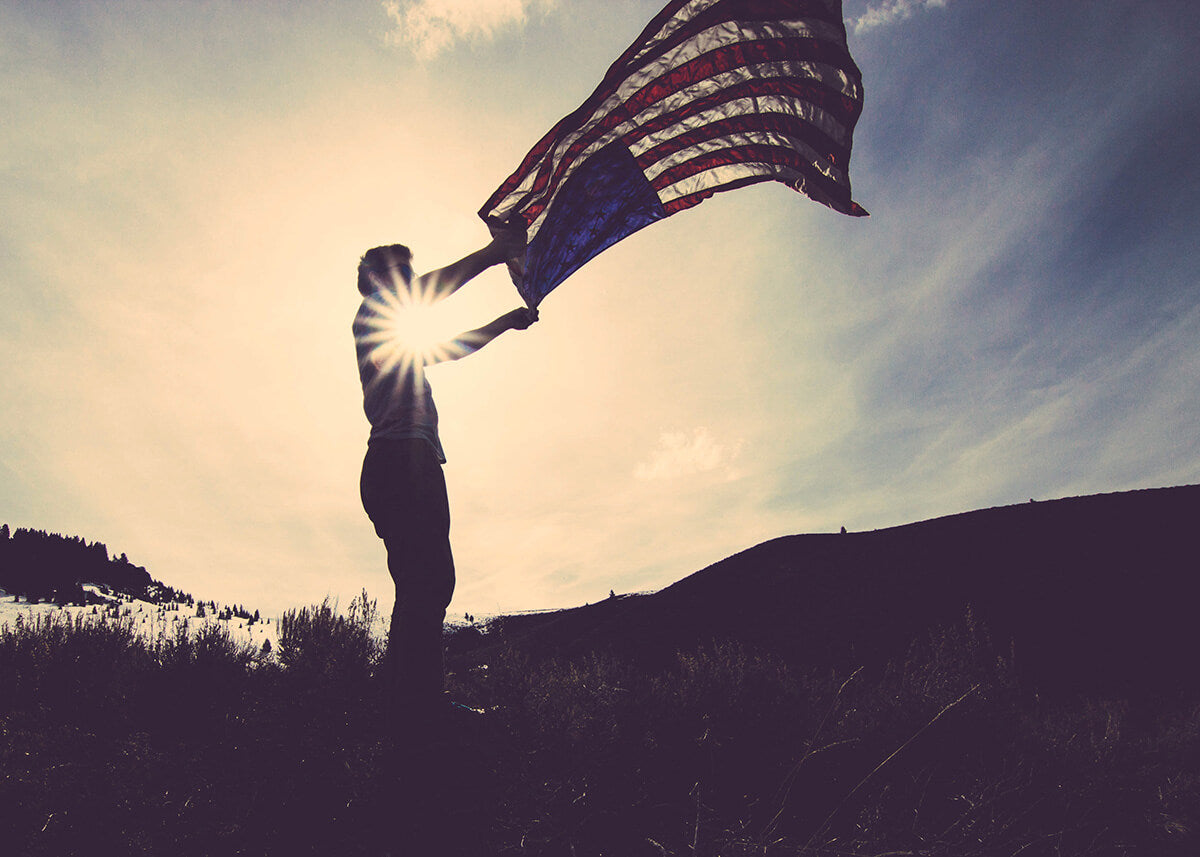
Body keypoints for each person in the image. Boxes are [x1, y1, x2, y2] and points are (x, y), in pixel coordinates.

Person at [353, 230, 535, 733]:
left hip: (399, 464)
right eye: (404, 277)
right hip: (403, 462)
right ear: (381, 283)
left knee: (421, 585)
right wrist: (494, 254)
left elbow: (453, 347)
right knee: (427, 583)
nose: (411, 285)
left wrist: (506, 321)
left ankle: (407, 707)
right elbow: (435, 289)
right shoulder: (372, 318)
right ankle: (420, 711)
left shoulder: (396, 345)